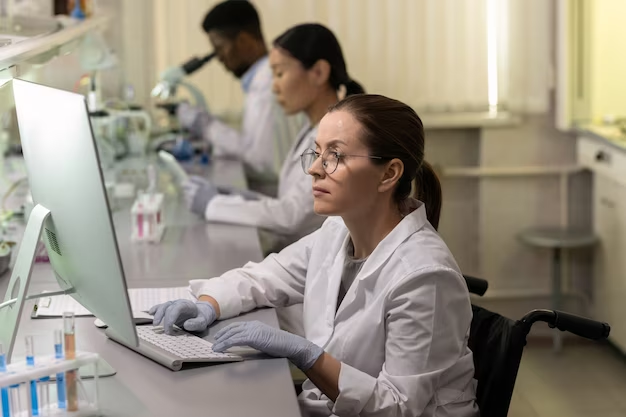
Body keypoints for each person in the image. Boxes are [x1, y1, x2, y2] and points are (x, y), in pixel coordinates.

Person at [150, 94, 479, 417]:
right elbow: (266, 276)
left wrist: (307, 355)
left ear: (389, 174)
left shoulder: (424, 275)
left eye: (335, 155)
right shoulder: (337, 231)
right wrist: (207, 304)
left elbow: (398, 407)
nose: (315, 170)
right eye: (317, 153)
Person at [183, 23, 365, 253]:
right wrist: (243, 197)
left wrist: (214, 205)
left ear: (318, 72)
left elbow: (292, 217)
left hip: (317, 263)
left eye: (279, 73)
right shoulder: (312, 129)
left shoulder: (337, 140)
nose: (274, 86)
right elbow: (296, 202)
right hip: (301, 256)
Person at [177, 0, 303, 195]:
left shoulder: (268, 85)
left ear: (244, 41)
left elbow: (261, 160)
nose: (219, 58)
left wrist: (207, 127)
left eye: (220, 48)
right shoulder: (260, 81)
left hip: (275, 198)